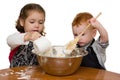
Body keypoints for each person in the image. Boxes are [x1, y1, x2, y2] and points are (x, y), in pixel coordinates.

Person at [7, 3, 46, 68]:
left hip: (35, 74)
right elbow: (9, 40)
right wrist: (27, 37)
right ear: (22, 22)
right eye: (32, 22)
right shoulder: (19, 37)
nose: (37, 25)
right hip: (16, 74)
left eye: (40, 22)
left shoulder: (42, 40)